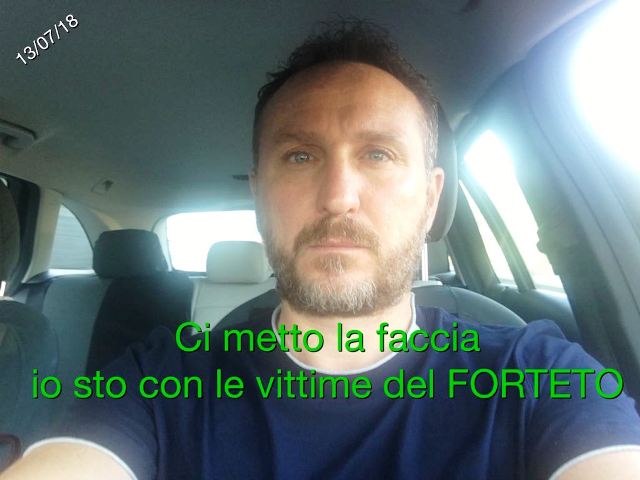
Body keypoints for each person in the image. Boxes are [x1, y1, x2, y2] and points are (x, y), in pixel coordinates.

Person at [3, 21, 640, 480]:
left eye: (379, 154)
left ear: (430, 198)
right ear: (259, 196)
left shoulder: (536, 376)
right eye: (300, 156)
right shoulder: (157, 385)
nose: (338, 197)